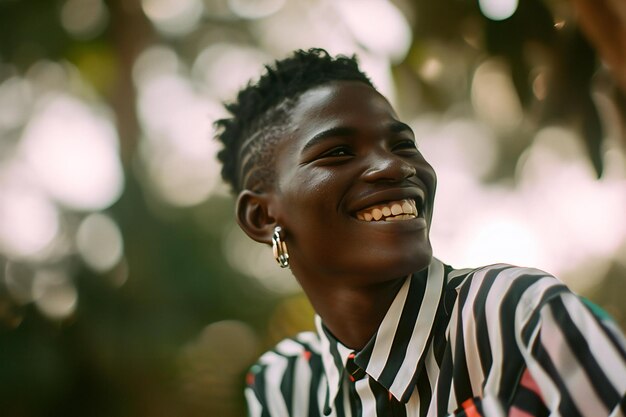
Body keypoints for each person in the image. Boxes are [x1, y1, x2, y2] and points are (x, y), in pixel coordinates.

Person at [215, 48, 626, 417]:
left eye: (402, 145)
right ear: (261, 217)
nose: (395, 167)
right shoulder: (284, 384)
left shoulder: (517, 317)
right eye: (338, 152)